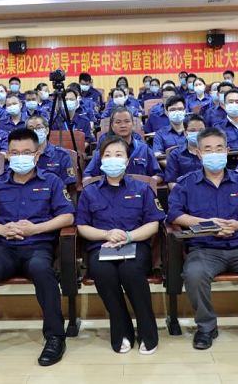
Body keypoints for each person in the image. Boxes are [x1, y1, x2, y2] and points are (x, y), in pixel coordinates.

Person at [0, 129, 75, 369]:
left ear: (37, 155)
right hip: (4, 247)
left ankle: (55, 338)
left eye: (26, 152)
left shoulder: (52, 181)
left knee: (43, 273)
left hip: (38, 247)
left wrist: (36, 229)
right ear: (8, 155)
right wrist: (1, 229)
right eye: (15, 152)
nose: (20, 157)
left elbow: (67, 217)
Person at [168, 128, 238, 351]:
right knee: (194, 274)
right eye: (208, 149)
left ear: (227, 150)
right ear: (199, 154)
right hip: (204, 248)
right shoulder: (186, 183)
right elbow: (174, 214)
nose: (214, 153)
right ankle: (206, 326)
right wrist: (206, 224)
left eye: (219, 148)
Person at [76, 136, 164, 354]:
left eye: (118, 155)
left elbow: (153, 224)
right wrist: (106, 234)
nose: (112, 159)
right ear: (100, 160)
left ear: (127, 161)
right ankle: (122, 329)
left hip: (135, 245)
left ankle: (147, 330)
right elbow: (82, 226)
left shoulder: (142, 188)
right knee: (103, 272)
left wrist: (129, 237)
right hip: (101, 247)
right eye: (107, 155)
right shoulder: (89, 191)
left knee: (130, 271)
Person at [84, 107, 161, 184]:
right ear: (112, 126)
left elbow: (158, 175)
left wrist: (143, 185)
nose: (123, 125)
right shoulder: (105, 150)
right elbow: (86, 177)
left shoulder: (143, 149)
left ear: (133, 124)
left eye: (127, 121)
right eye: (118, 122)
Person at [27, 115, 77, 187]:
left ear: (47, 130)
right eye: (31, 129)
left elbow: (66, 183)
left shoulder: (61, 154)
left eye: (39, 128)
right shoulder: (22, 155)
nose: (35, 132)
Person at [164, 114, 206, 189]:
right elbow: (171, 182)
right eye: (192, 130)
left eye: (201, 130)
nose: (197, 133)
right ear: (185, 133)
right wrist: (184, 193)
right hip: (184, 192)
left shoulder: (213, 153)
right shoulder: (175, 154)